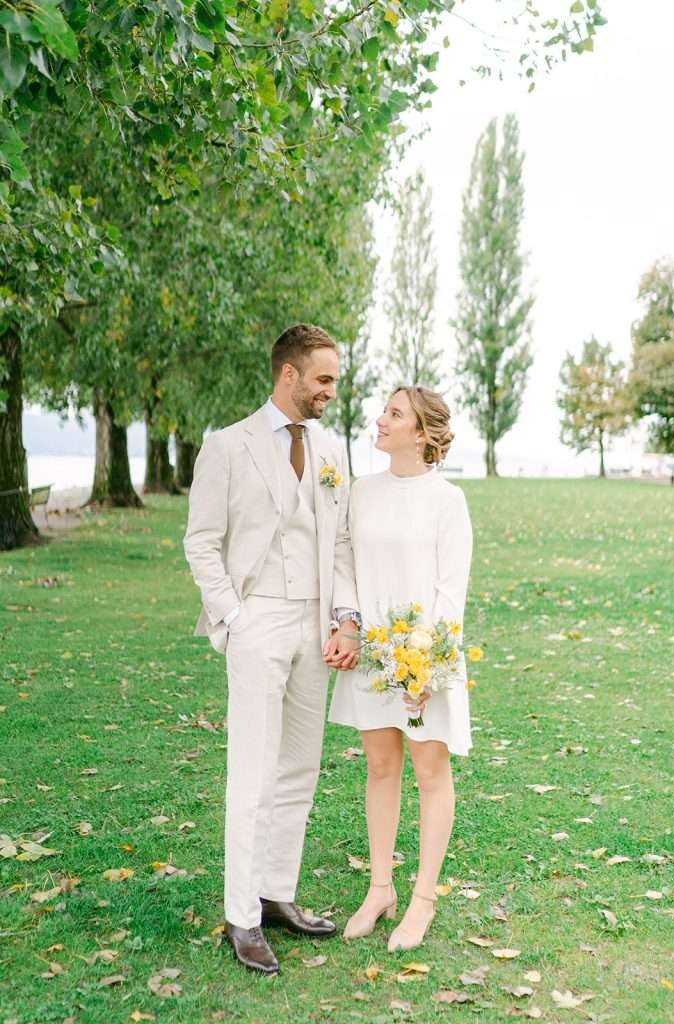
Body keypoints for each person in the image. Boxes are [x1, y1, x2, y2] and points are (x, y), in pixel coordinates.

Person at [183, 324, 361, 975]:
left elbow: (341, 542)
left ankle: (277, 892)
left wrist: (346, 619)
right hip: (256, 619)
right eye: (323, 379)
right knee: (252, 773)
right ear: (288, 374)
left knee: (298, 769)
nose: (329, 392)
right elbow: (201, 541)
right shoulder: (228, 446)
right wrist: (232, 616)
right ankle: (241, 916)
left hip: (317, 627)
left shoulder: (333, 448)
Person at [328, 385, 473, 952]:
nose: (379, 420)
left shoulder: (447, 500)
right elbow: (343, 562)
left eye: (393, 414)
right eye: (383, 411)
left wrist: (427, 668)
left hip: (422, 660)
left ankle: (423, 899)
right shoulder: (362, 492)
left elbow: (449, 591)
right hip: (372, 653)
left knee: (431, 772)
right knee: (381, 767)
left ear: (421, 433)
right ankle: (381, 888)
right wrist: (350, 624)